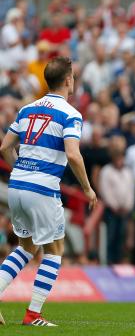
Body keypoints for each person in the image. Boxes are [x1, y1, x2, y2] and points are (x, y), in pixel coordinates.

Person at [0, 56, 97, 326]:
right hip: (42, 187)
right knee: (54, 249)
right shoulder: (70, 113)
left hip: (16, 186)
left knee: (26, 246)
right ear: (68, 80)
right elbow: (73, 155)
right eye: (73, 76)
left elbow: (5, 148)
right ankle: (33, 314)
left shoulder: (27, 109)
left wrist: (21, 170)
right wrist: (88, 189)